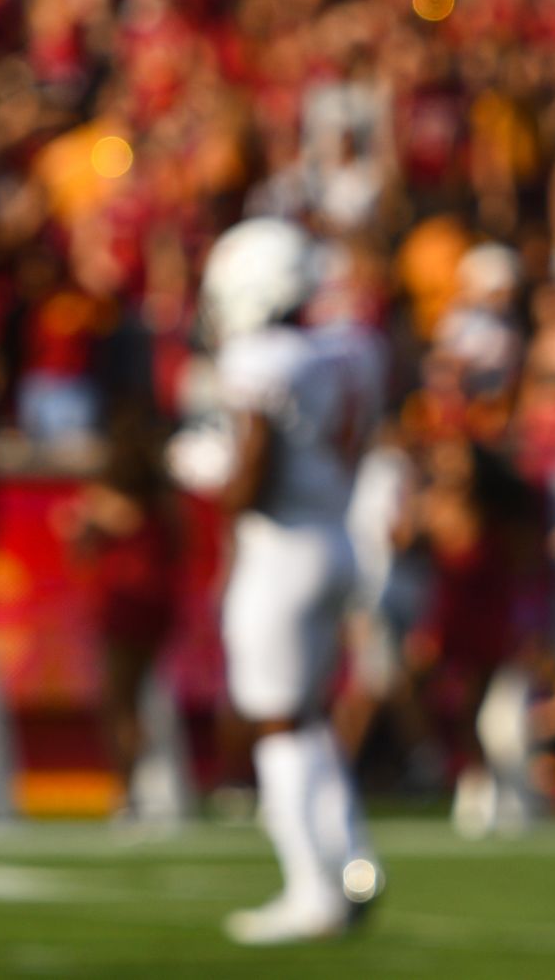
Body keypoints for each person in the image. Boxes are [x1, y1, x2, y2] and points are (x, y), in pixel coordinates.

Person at [194, 218, 384, 944]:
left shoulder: (264, 358)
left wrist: (206, 470)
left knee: (274, 720)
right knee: (302, 715)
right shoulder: (352, 346)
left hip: (283, 548)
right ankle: (353, 859)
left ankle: (312, 889)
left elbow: (249, 482)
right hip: (339, 535)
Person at [56, 398, 180, 820]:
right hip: (158, 602)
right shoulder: (163, 500)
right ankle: (146, 785)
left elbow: (79, 546)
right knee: (141, 695)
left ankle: (129, 789)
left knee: (120, 701)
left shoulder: (104, 501)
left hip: (124, 604)